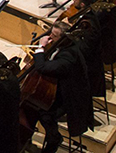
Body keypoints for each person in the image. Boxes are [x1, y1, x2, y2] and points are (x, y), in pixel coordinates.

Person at [31, 23, 93, 153]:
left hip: (70, 98)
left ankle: (54, 139)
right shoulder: (63, 46)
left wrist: (41, 48)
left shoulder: (68, 57)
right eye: (51, 33)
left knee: (43, 113)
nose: (50, 37)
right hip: (62, 88)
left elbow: (43, 68)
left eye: (54, 35)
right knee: (33, 104)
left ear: (64, 38)